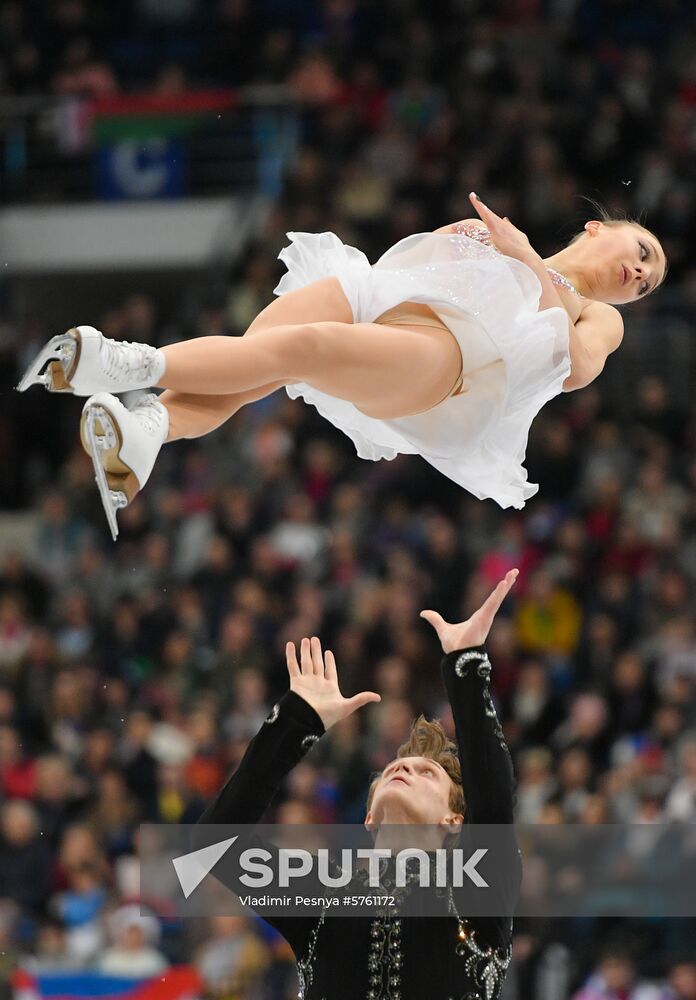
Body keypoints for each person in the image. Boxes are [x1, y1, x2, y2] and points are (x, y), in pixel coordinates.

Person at [18, 194, 666, 536]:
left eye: (647, 281)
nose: (639, 273)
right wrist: (473, 244)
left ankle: (121, 364)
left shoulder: (596, 315)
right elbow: (413, 264)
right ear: (598, 228)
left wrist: (522, 257)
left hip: (444, 361)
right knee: (254, 364)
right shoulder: (497, 233)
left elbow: (575, 368)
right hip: (375, 297)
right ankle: (148, 430)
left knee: (297, 351)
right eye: (642, 252)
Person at [196, 569, 522, 1000]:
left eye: (426, 773)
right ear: (369, 816)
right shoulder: (320, 899)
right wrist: (297, 723)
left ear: (455, 818)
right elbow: (214, 845)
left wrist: (466, 666)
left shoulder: (477, 889)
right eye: (393, 769)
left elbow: (494, 805)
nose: (403, 770)